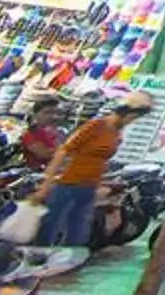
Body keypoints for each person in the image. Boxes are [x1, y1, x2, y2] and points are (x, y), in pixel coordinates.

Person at [40, 92, 152, 250]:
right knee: (51, 226)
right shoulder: (97, 125)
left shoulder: (116, 132)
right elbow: (64, 151)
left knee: (77, 232)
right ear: (126, 112)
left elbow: (100, 161)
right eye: (134, 117)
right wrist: (47, 182)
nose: (133, 121)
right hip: (70, 183)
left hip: (89, 186)